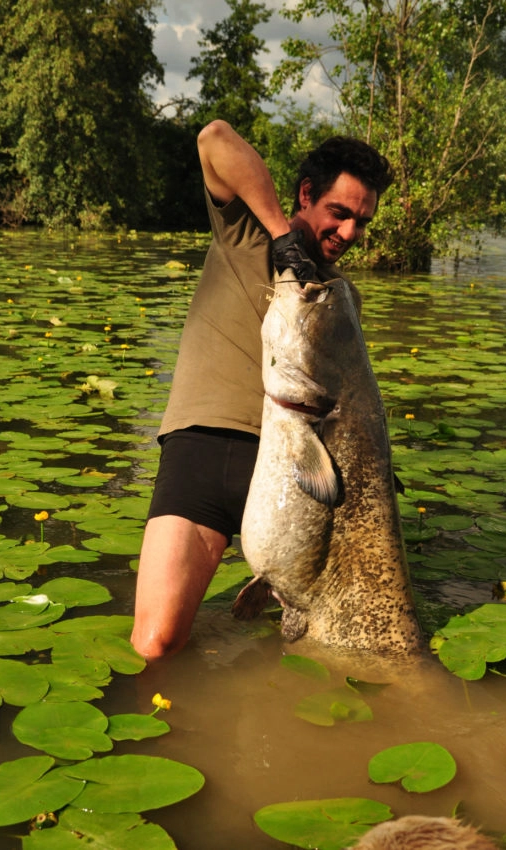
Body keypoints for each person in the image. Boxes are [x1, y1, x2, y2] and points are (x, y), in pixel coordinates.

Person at [131, 119, 393, 660]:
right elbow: (215, 138)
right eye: (340, 213)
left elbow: (350, 404)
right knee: (156, 644)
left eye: (362, 222)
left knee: (310, 653)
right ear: (305, 195)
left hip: (294, 478)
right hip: (206, 444)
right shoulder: (245, 230)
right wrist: (280, 237)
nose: (349, 233)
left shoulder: (342, 296)